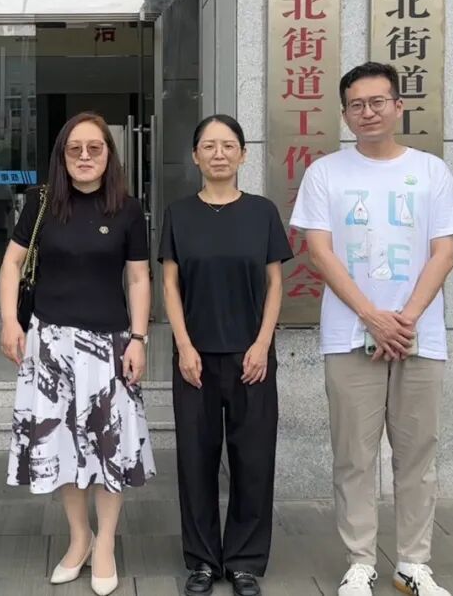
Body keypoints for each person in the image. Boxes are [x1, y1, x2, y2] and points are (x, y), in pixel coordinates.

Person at [290, 62, 453, 596]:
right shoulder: (326, 173)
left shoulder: (432, 171)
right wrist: (371, 316)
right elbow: (319, 252)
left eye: (377, 102)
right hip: (349, 336)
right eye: (356, 105)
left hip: (420, 337)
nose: (367, 112)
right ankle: (360, 560)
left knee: (417, 454)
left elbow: (445, 253)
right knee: (354, 455)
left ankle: (413, 562)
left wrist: (405, 319)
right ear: (344, 113)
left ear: (398, 106)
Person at [0, 111, 155, 596]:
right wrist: (9, 322)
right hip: (50, 343)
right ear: (62, 156)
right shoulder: (42, 203)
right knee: (63, 445)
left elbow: (138, 277)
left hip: (110, 346)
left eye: (95, 148)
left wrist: (139, 338)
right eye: (75, 149)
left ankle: (105, 542)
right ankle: (79, 537)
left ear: (109, 154)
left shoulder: (128, 209)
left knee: (109, 446)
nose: (85, 156)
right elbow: (12, 263)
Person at [159, 114, 293, 596]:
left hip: (251, 357)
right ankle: (201, 559)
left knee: (252, 460)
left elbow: (275, 283)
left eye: (228, 145)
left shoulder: (262, 212)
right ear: (195, 156)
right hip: (194, 359)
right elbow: (169, 284)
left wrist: (262, 343)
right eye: (209, 146)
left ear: (243, 154)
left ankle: (244, 561)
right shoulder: (179, 214)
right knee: (196, 460)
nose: (219, 154)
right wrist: (183, 345)